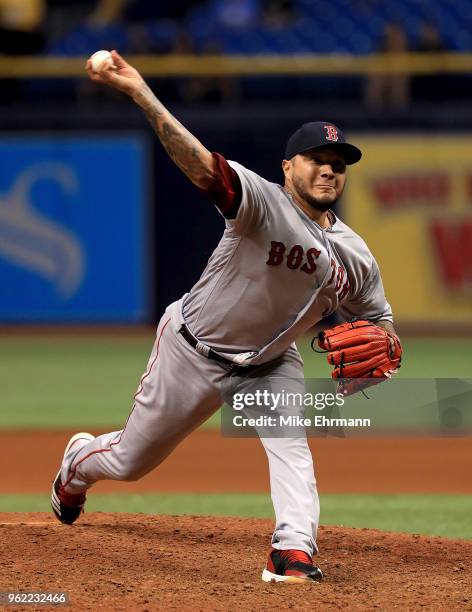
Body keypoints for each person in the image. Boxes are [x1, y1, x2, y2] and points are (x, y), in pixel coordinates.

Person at [51, 50, 401, 583]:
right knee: (131, 461)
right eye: (316, 157)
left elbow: (380, 320)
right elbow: (198, 163)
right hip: (194, 350)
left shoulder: (356, 255)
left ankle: (293, 549)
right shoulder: (262, 202)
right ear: (288, 168)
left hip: (269, 363)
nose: (329, 168)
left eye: (339, 161)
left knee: (291, 444)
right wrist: (141, 93)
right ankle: (78, 462)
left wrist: (389, 345)